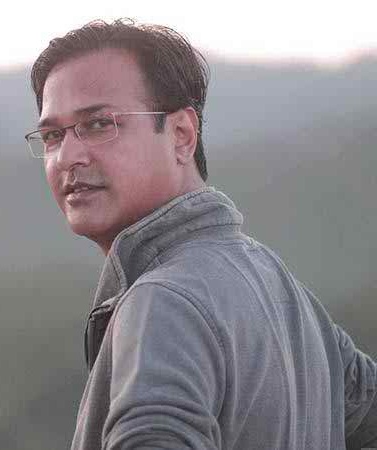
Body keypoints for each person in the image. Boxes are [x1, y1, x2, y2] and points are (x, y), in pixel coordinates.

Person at [24, 19, 377, 450]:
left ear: (181, 135)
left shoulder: (163, 300)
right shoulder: (285, 292)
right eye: (52, 135)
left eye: (98, 124)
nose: (68, 157)